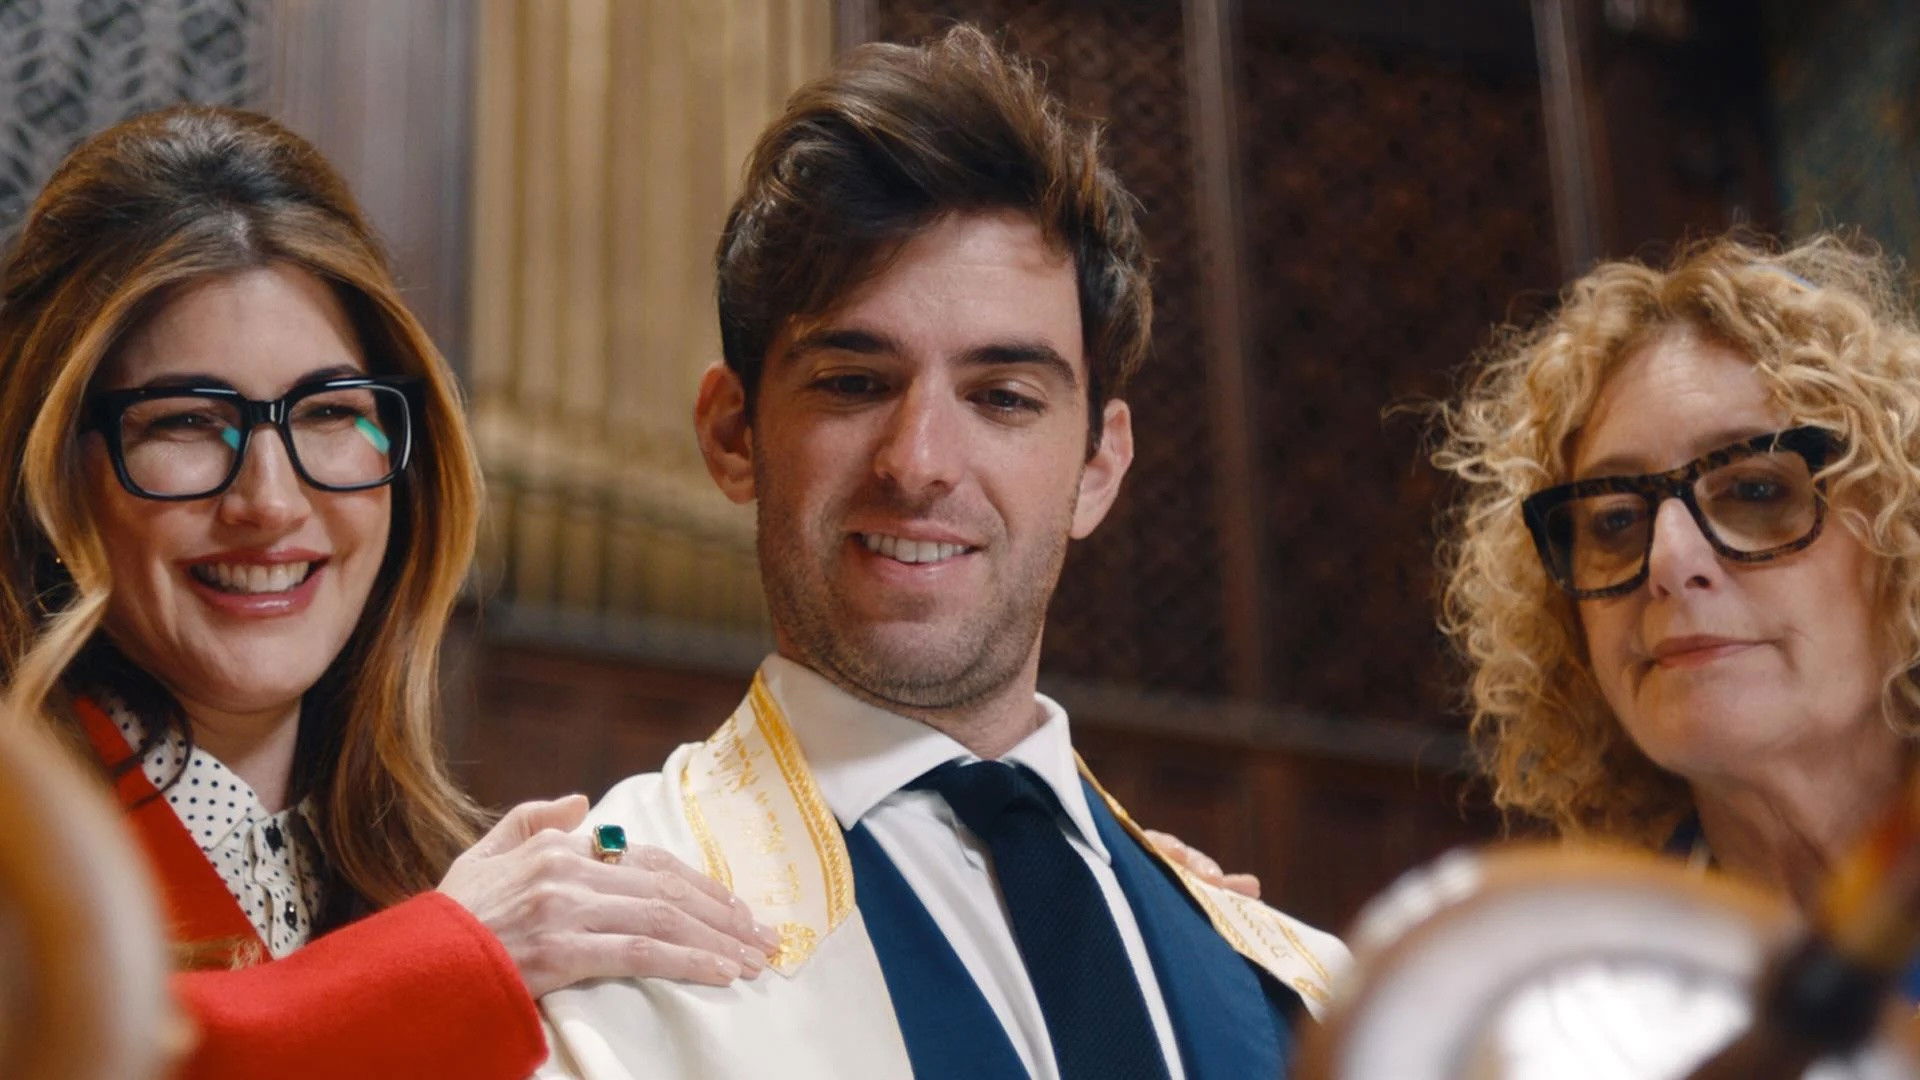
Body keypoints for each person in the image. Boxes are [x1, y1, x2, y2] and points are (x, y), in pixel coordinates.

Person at [538, 26, 1348, 1080]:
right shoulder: (584, 951)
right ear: (734, 434)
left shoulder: (1306, 992)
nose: (918, 463)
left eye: (1002, 398)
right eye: (853, 384)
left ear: (1098, 467)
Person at [0, 105, 781, 1080]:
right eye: (186, 422)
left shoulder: (446, 878)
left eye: (329, 412)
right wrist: (443, 961)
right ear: (50, 470)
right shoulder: (23, 867)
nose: (270, 502)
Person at [1432, 232, 1920, 949]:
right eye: (1615, 520)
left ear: (1903, 534)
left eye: (1755, 490)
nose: (1668, 559)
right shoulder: (1580, 989)